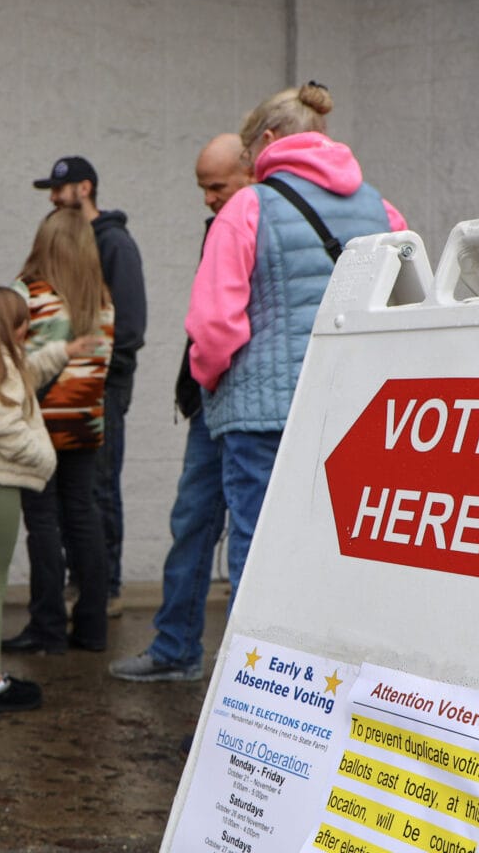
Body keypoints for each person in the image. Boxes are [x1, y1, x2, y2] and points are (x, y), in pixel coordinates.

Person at [186, 82, 406, 603]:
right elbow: (403, 307)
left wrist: (210, 378)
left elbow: (216, 325)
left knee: (259, 549)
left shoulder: (247, 209)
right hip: (352, 412)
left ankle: (259, 678)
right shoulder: (382, 210)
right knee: (335, 553)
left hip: (262, 416)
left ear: (267, 139)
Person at [110, 133, 253, 683]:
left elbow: (218, 326)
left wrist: (204, 373)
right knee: (194, 521)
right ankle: (177, 648)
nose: (208, 198)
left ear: (251, 170)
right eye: (202, 187)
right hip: (212, 397)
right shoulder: (224, 223)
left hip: (229, 395)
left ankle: (244, 677)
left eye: (216, 185)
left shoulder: (253, 220)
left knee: (228, 530)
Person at [0, 288, 94, 712]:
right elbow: (2, 427)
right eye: (23, 321)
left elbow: (29, 371)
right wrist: (45, 458)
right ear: (5, 327)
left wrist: (64, 349)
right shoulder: (0, 365)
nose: (29, 328)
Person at [34, 156, 146, 615]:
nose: (53, 199)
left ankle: (105, 589)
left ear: (84, 189)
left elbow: (131, 327)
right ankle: (78, 586)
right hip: (61, 385)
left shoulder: (114, 243)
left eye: (60, 190)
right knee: (70, 493)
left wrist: (99, 372)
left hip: (101, 388)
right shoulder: (62, 241)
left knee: (97, 488)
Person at [1, 209, 115, 655]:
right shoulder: (102, 299)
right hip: (86, 422)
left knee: (43, 522)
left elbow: (9, 366)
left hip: (40, 424)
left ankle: (47, 629)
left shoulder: (28, 293)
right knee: (83, 519)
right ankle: (92, 629)